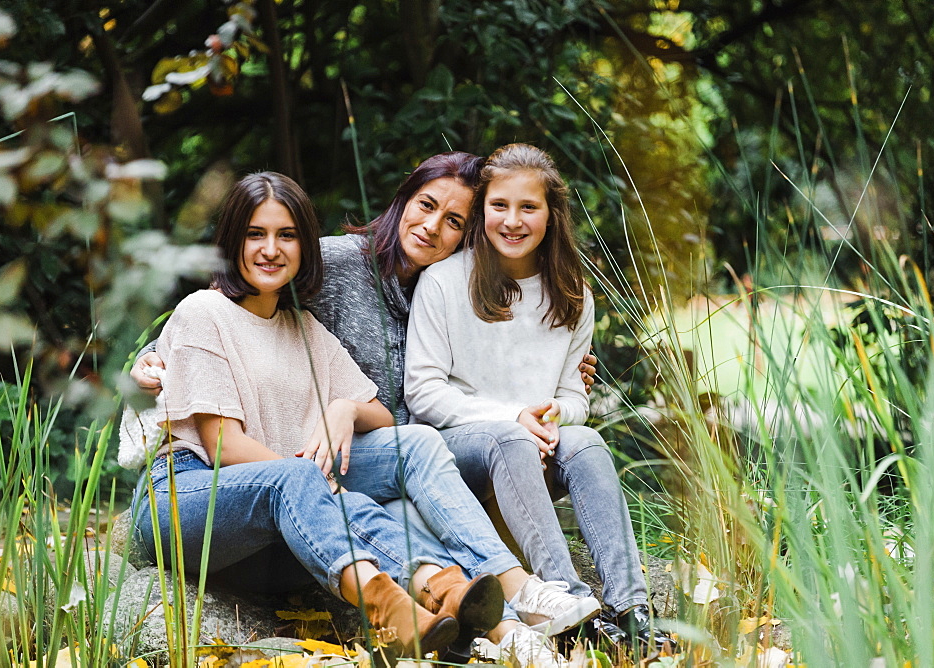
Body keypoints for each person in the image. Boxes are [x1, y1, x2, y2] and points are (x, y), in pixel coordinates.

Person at [130, 167, 597, 667]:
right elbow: (222, 445)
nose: (271, 249)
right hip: (189, 497)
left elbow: (380, 413)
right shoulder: (205, 311)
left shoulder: (306, 326)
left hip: (282, 517)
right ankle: (389, 607)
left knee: (412, 445)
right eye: (255, 235)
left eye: (286, 235)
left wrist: (344, 409)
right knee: (302, 479)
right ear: (231, 242)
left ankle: (498, 617)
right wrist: (146, 361)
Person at [404, 144, 664, 656]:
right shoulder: (443, 282)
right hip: (459, 450)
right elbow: (423, 391)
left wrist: (551, 416)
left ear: (552, 214)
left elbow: (574, 397)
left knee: (586, 441)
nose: (513, 220)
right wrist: (514, 418)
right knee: (508, 437)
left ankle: (631, 610)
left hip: (535, 444)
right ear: (482, 212)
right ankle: (566, 603)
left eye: (529, 207)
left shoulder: (571, 293)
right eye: (499, 205)